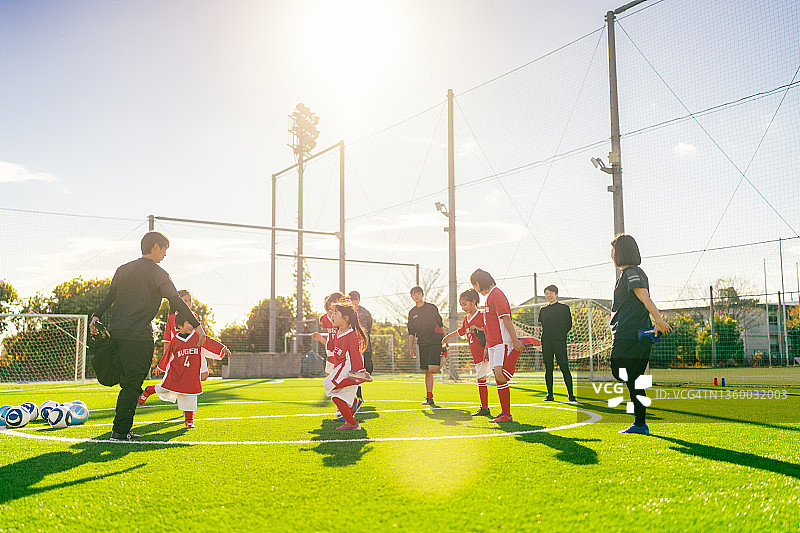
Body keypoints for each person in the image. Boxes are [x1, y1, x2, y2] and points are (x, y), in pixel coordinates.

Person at [91, 231, 204, 441]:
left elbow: (110, 296)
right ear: (154, 247)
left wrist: (96, 316)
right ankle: (121, 432)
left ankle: (120, 427)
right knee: (133, 384)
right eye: (164, 250)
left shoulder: (122, 269)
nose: (165, 254)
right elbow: (177, 301)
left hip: (115, 334)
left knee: (123, 381)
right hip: (138, 338)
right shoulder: (159, 273)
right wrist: (197, 325)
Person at [609, 234, 671, 435]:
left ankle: (645, 338)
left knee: (619, 370)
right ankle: (640, 424)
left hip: (629, 332)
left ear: (621, 252)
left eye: (613, 250)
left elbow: (644, 297)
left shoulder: (631, 273)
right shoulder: (628, 273)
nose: (611, 254)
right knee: (633, 379)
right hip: (631, 331)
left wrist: (658, 319)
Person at [138, 312, 230, 428]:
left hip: (190, 374)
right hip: (176, 372)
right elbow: (168, 355)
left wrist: (223, 348)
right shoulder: (175, 341)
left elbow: (210, 342)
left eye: (194, 323)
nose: (192, 325)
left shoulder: (198, 337)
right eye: (189, 322)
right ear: (180, 325)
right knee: (165, 388)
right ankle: (148, 391)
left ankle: (189, 419)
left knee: (190, 394)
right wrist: (160, 367)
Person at [470, 269, 524, 423]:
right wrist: (487, 345)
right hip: (493, 343)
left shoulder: (497, 294)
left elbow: (506, 319)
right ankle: (506, 414)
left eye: (474, 284)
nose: (474, 288)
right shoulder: (488, 297)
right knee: (498, 377)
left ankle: (519, 348)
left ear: (479, 282)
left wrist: (515, 341)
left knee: (501, 376)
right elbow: (489, 325)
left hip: (502, 342)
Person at [442, 289, 492, 417]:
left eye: (465, 304)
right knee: (481, 380)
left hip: (486, 352)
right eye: (461, 305)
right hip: (476, 354)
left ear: (473, 302)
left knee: (490, 378)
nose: (463, 307)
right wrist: (447, 336)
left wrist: (485, 344)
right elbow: (462, 331)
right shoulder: (466, 318)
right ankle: (485, 408)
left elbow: (489, 331)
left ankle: (491, 409)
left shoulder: (481, 315)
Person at [323, 304, 372, 430]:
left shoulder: (351, 335)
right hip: (341, 367)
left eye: (335, 313)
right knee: (337, 397)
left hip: (348, 367)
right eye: (332, 313)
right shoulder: (338, 332)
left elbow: (356, 355)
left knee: (328, 384)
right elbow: (333, 349)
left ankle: (357, 379)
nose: (332, 315)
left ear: (345, 318)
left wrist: (359, 372)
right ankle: (351, 423)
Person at [407, 286, 444, 406]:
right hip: (422, 343)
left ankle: (443, 356)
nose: (416, 296)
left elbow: (440, 323)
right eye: (413, 294)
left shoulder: (431, 308)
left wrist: (445, 339)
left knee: (433, 369)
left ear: (422, 295)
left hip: (434, 340)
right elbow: (411, 332)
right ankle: (429, 397)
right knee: (427, 371)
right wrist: (411, 347)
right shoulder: (412, 312)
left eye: (418, 293)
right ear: (412, 297)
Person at [538, 285, 576, 402]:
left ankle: (571, 395)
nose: (548, 295)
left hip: (559, 341)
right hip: (546, 342)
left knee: (564, 367)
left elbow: (568, 324)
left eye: (551, 293)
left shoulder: (564, 308)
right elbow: (542, 326)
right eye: (546, 293)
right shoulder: (543, 310)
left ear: (556, 294)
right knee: (548, 368)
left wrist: (560, 334)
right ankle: (550, 395)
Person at [349, 290, 373, 406]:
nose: (353, 301)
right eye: (351, 299)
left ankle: (358, 393)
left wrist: (365, 338)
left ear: (359, 299)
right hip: (352, 344)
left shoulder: (365, 312)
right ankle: (357, 396)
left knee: (368, 367)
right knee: (354, 370)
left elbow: (369, 327)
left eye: (355, 299)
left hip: (364, 343)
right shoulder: (346, 312)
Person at [162, 289, 197, 358]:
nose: (188, 304)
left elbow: (198, 336)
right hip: (177, 354)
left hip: (191, 353)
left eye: (190, 301)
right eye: (185, 301)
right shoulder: (171, 318)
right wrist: (164, 362)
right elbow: (167, 341)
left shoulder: (194, 316)